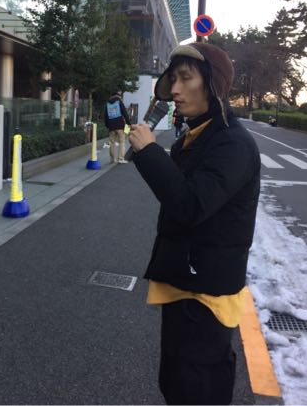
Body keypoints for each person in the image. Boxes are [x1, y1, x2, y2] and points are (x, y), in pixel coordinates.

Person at [128, 42, 261, 405]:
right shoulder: (197, 136)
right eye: (173, 79)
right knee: (176, 382)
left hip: (205, 295)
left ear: (213, 85)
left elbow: (191, 205)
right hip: (186, 284)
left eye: (186, 78)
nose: (175, 89)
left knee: (196, 388)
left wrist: (149, 152)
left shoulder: (232, 144)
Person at [104, 91, 131, 164]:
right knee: (122, 142)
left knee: (111, 143)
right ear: (117, 96)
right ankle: (120, 158)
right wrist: (128, 123)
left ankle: (112, 159)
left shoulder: (107, 104)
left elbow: (105, 116)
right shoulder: (119, 102)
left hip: (111, 127)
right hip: (120, 125)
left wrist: (107, 125)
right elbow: (124, 113)